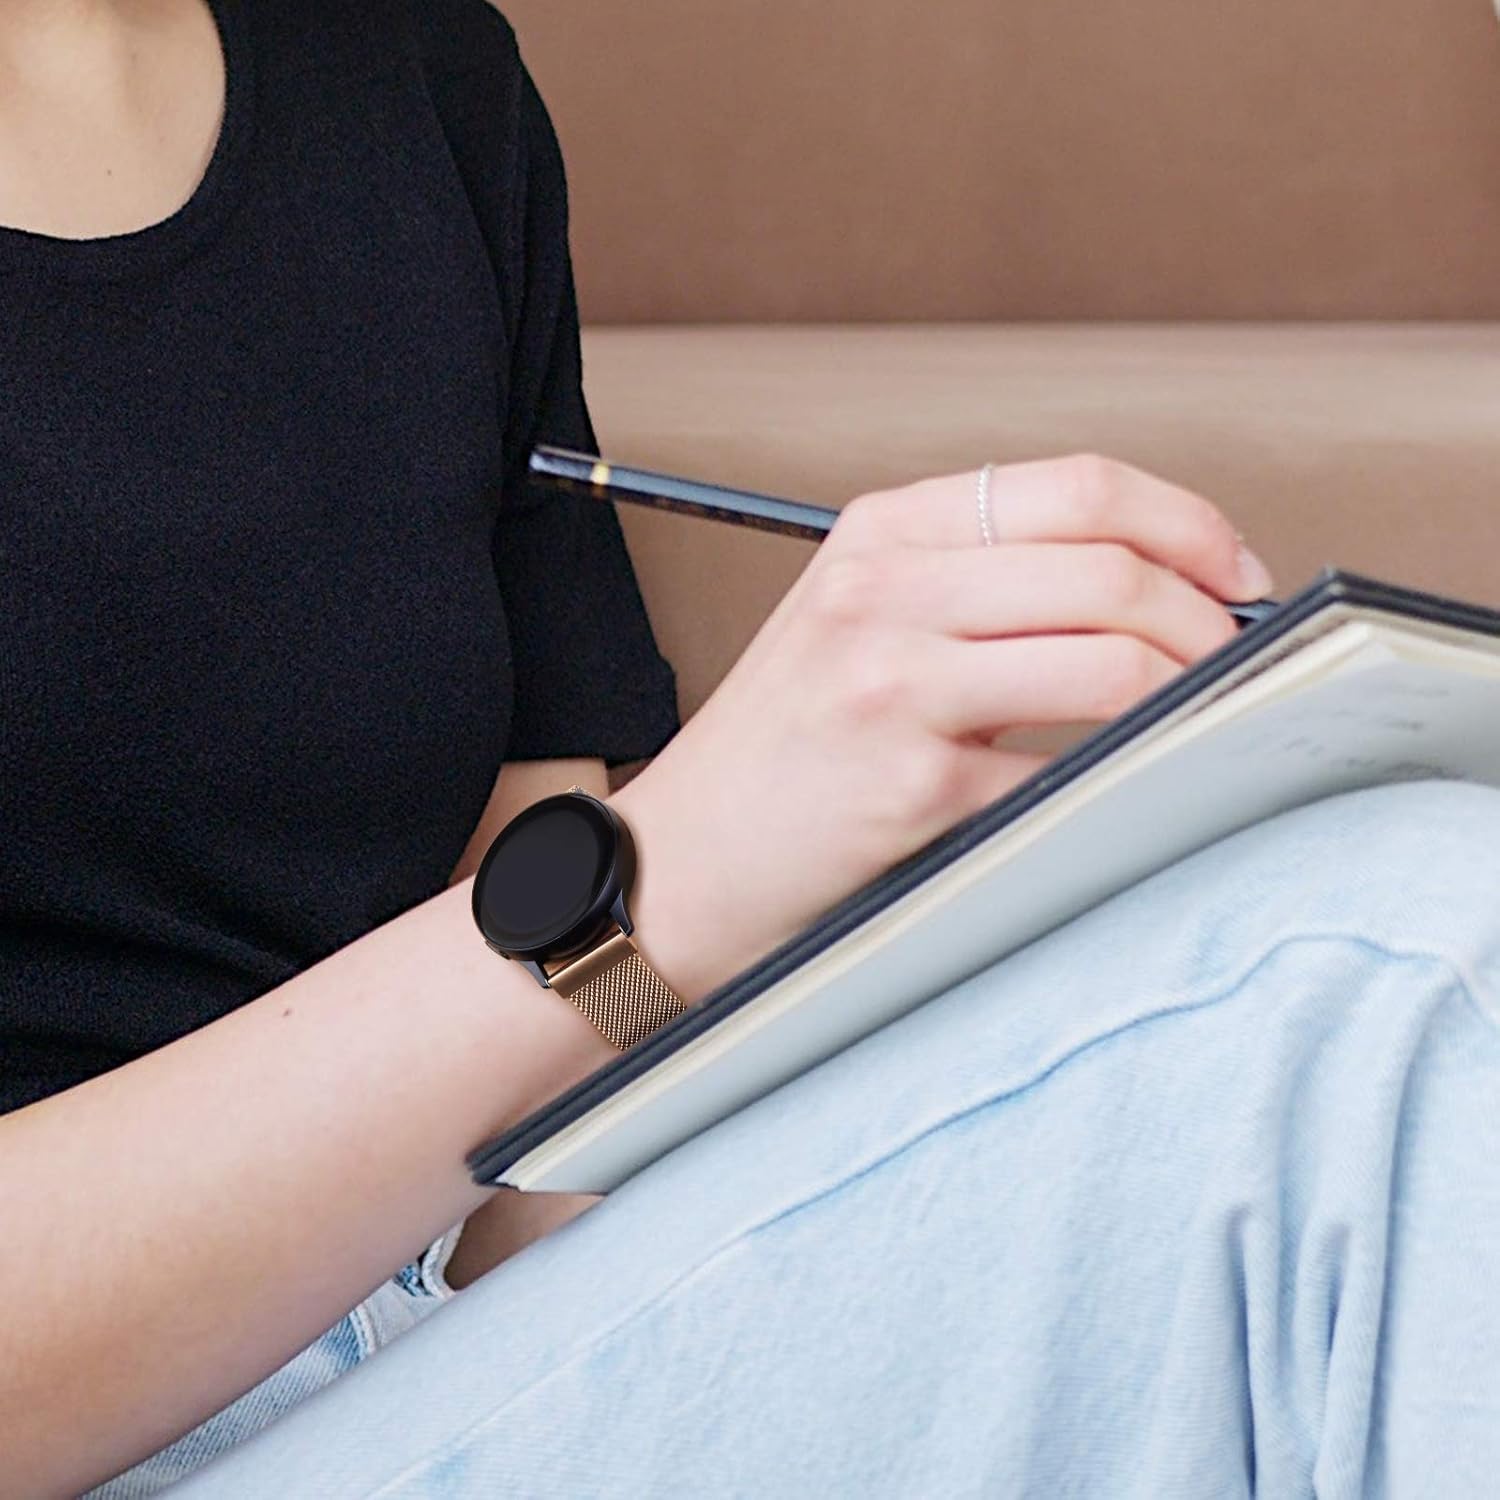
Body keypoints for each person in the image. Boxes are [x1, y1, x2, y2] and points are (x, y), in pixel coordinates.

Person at [3, 1, 1497, 1495]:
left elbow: (536, 1155)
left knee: (1408, 902)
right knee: (1398, 965)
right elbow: (577, 942)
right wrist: (671, 872)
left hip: (433, 1347)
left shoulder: (409, 70)